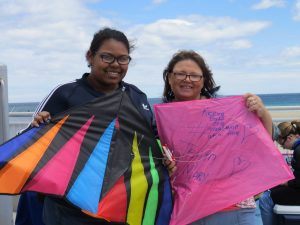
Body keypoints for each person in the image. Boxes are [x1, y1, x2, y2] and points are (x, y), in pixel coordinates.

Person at [16, 27, 172, 225]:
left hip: (121, 205)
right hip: (69, 209)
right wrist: (39, 125)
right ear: (90, 56)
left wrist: (166, 157)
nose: (115, 65)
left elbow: (153, 140)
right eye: (107, 57)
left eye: (123, 59)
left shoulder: (136, 96)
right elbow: (28, 143)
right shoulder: (67, 93)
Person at [161, 50, 273, 225]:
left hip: (236, 207)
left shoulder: (225, 109)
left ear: (203, 79)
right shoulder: (159, 119)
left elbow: (262, 143)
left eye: (194, 75)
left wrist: (263, 113)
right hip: (188, 210)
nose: (187, 79)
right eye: (181, 74)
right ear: (169, 77)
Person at [259, 120, 300, 225]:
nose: (283, 147)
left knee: (266, 198)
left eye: (282, 144)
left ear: (290, 137)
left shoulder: (298, 151)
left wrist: (286, 183)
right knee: (273, 190)